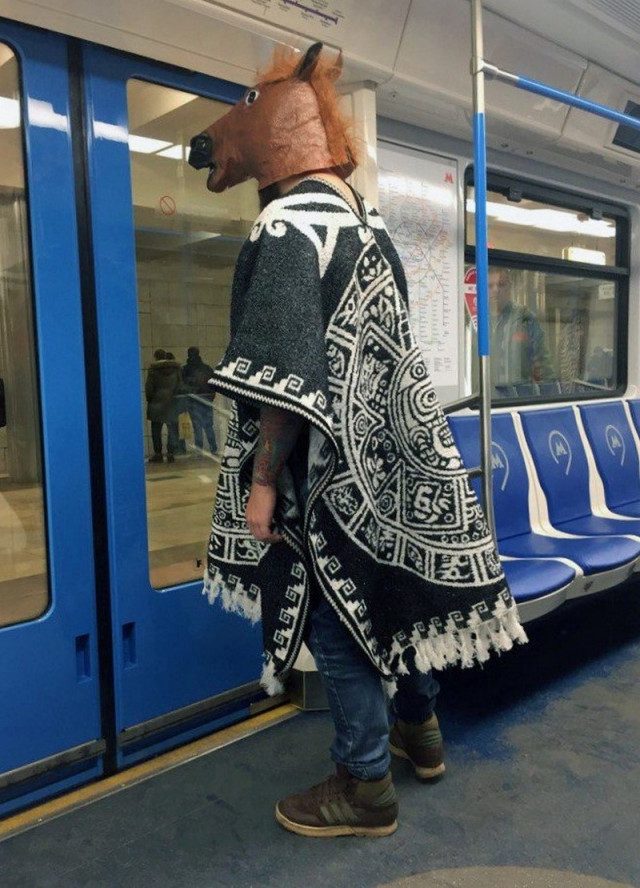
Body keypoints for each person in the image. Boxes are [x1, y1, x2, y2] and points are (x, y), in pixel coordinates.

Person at [189, 42, 526, 838]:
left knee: (338, 624)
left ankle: (365, 783)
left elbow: (285, 371)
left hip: (326, 470)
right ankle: (420, 732)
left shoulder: (290, 225)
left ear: (279, 122)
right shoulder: (365, 221)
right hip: (392, 455)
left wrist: (261, 483)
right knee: (390, 598)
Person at [489, 267, 555, 391]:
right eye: (490, 286)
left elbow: (543, 365)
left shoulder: (525, 318)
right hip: (484, 398)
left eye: (501, 285)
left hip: (520, 397)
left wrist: (549, 395)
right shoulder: (475, 321)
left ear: (509, 287)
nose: (496, 290)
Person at [145, 349, 181, 463]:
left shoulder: (153, 370)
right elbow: (180, 386)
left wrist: (151, 400)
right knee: (172, 430)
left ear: (156, 357)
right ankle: (171, 453)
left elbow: (149, 389)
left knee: (156, 430)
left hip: (156, 404)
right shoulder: (176, 369)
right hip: (172, 404)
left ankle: (158, 454)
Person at [182, 346, 217, 455]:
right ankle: (213, 448)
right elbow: (213, 384)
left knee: (197, 427)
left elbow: (183, 386)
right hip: (206, 400)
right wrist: (211, 397)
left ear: (188, 355)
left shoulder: (185, 369)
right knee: (208, 426)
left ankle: (199, 449)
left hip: (193, 401)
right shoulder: (206, 368)